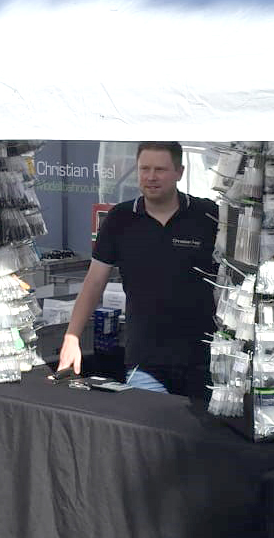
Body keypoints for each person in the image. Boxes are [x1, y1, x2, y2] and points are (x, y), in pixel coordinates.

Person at [57, 142, 217, 399]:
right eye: (145, 169)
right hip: (145, 361)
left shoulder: (208, 216)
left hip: (202, 360)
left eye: (160, 169)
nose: (151, 177)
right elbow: (94, 283)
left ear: (180, 172)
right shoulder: (120, 219)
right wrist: (72, 336)